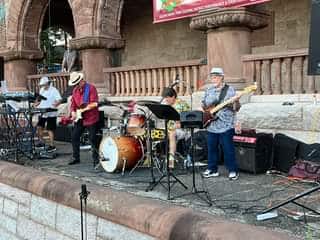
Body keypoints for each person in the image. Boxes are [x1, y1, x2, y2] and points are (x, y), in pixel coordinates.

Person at [201, 67, 240, 180]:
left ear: (222, 77)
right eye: (212, 77)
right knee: (212, 148)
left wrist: (232, 103)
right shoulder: (209, 90)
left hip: (226, 124)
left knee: (228, 149)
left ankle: (233, 170)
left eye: (216, 77)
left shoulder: (230, 90)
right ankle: (212, 169)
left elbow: (237, 108)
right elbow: (204, 105)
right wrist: (208, 105)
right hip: (211, 124)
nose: (214, 79)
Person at [68, 71, 100, 167]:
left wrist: (83, 109)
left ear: (82, 81)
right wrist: (73, 112)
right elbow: (73, 104)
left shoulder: (91, 88)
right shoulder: (75, 91)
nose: (76, 86)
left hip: (91, 117)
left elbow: (95, 103)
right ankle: (76, 157)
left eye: (77, 83)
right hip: (80, 118)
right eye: (75, 84)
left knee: (93, 139)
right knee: (74, 136)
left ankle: (96, 159)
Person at [161, 87, 190, 168]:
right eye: (165, 98)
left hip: (183, 129)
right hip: (171, 128)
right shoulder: (168, 106)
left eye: (167, 98)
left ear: (173, 96)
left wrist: (179, 124)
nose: (166, 100)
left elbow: (188, 119)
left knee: (172, 133)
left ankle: (171, 159)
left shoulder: (181, 104)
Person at [34, 76, 62, 152]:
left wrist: (56, 104)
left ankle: (52, 145)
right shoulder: (41, 90)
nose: (42, 86)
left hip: (51, 112)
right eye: (42, 85)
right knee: (39, 126)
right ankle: (41, 142)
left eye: (43, 84)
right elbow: (39, 99)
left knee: (50, 129)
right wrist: (36, 104)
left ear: (47, 83)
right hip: (43, 112)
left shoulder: (54, 90)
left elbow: (59, 99)